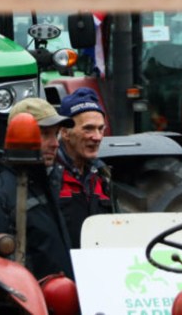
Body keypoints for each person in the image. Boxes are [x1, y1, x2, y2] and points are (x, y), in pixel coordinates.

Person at [0, 98, 75, 280]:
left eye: (56, 134)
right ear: (19, 133)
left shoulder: (37, 179)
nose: (55, 143)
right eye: (45, 134)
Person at [55, 87, 116, 247]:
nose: (97, 137)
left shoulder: (103, 176)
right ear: (65, 132)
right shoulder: (49, 177)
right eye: (88, 129)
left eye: (100, 129)